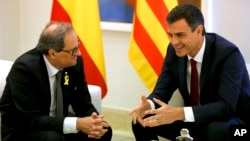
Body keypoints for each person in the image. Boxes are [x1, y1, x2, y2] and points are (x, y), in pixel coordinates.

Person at [129, 4, 250, 141]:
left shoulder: (228, 54)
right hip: (193, 119)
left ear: (199, 31)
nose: (174, 42)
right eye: (171, 35)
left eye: (180, 35)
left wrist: (180, 113)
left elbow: (226, 107)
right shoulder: (174, 51)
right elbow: (162, 90)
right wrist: (149, 105)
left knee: (216, 130)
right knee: (142, 121)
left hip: (235, 124)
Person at [0, 21, 112, 141]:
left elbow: (83, 102)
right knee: (53, 138)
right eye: (73, 50)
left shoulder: (74, 63)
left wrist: (95, 121)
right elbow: (31, 119)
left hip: (58, 121)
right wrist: (77, 124)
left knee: (104, 131)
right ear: (53, 53)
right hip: (23, 129)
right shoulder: (24, 69)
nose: (79, 53)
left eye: (78, 46)